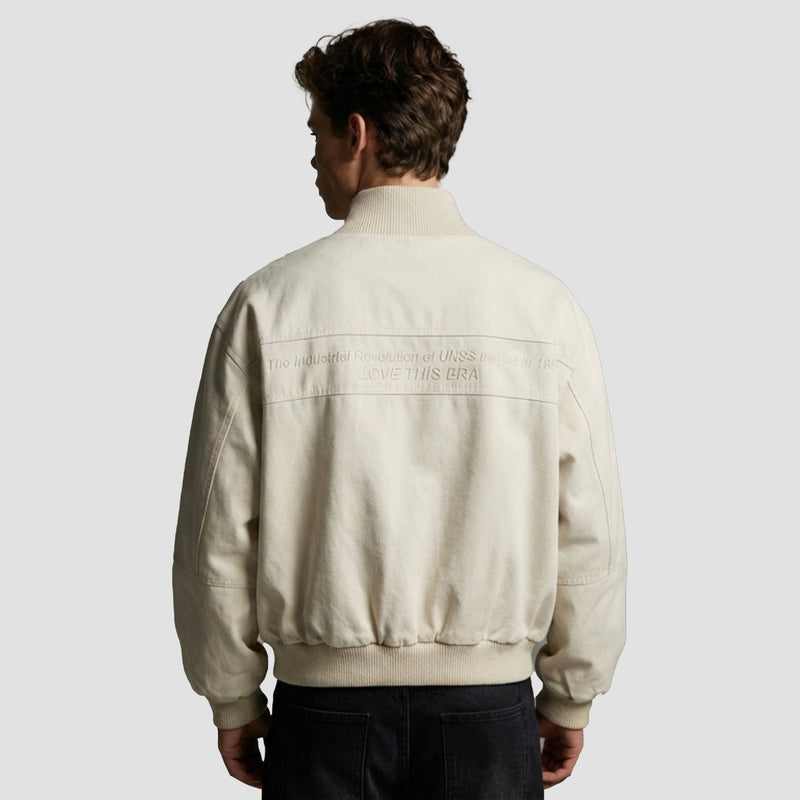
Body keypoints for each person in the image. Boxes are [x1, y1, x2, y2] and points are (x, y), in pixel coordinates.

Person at [172, 18, 626, 799]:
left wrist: (232, 694)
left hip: (324, 718)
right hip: (490, 714)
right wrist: (571, 693)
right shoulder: (542, 309)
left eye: (317, 133)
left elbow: (216, 531)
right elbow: (590, 530)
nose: (312, 157)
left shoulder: (268, 306)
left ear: (358, 134)